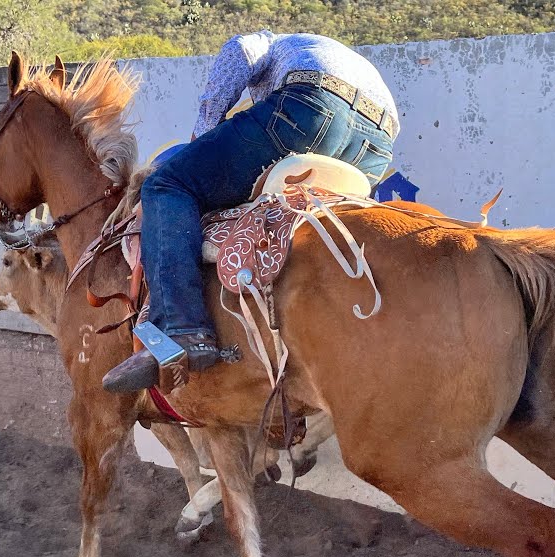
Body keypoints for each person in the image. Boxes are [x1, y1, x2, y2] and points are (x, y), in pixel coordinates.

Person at [102, 30, 401, 394]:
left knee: (168, 186)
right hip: (377, 143)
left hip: (312, 106)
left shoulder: (268, 42)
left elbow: (240, 52)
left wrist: (202, 136)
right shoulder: (323, 50)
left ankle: (182, 330)